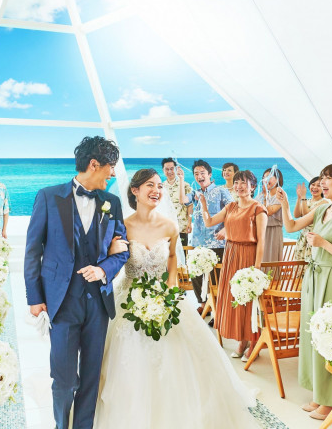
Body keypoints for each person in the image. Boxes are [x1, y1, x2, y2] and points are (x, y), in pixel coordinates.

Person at [93, 169, 257, 428]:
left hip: (165, 296)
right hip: (129, 297)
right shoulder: (122, 225)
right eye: (150, 185)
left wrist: (168, 293)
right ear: (135, 191)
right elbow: (112, 261)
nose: (157, 190)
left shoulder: (169, 226)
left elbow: (171, 258)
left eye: (159, 185)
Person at [24, 136, 130, 429]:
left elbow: (123, 250)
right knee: (64, 377)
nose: (112, 174)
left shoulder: (112, 202)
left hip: (98, 303)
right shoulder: (48, 197)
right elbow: (33, 250)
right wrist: (35, 298)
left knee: (91, 377)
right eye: (110, 167)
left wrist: (104, 269)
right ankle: (61, 425)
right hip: (62, 301)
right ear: (94, 164)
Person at [276, 163, 332, 420]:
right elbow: (291, 226)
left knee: (331, 339)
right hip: (313, 278)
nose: (322, 183)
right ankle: (319, 393)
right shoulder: (322, 208)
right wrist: (284, 203)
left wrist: (323, 243)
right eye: (322, 178)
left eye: (328, 178)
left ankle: (331, 399)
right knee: (313, 336)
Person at [200, 170, 267, 361]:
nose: (239, 186)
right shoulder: (230, 206)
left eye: (243, 183)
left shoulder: (258, 209)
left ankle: (253, 341)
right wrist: (203, 204)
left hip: (248, 256)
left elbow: (261, 241)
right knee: (235, 299)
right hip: (230, 255)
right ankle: (242, 340)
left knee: (248, 300)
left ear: (252, 187)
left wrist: (256, 269)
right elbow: (209, 222)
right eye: (236, 183)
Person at [178, 160, 233, 315]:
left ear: (209, 174)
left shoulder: (221, 191)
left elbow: (234, 211)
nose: (199, 176)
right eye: (196, 174)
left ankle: (218, 310)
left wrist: (226, 229)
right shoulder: (196, 193)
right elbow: (183, 200)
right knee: (196, 274)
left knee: (216, 279)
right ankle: (203, 305)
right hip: (198, 242)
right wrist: (181, 180)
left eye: (202, 173)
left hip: (217, 242)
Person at [293, 177, 328, 262]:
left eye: (318, 185)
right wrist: (299, 198)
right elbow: (296, 215)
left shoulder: (324, 203)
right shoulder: (306, 201)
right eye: (313, 184)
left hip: (313, 238)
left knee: (309, 264)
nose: (315, 187)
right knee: (298, 265)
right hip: (303, 238)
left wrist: (303, 197)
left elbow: (306, 216)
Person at [161, 158, 192, 246]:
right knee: (167, 252)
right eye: (167, 169)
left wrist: (189, 222)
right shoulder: (161, 187)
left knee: (183, 251)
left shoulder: (185, 185)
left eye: (172, 169)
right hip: (166, 228)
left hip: (181, 226)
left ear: (175, 169)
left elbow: (190, 205)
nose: (169, 171)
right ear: (163, 170)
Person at [256, 167, 284, 262]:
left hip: (273, 232)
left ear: (277, 179)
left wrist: (265, 196)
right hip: (260, 231)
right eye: (264, 177)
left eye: (269, 177)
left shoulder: (280, 195)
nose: (266, 180)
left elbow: (268, 212)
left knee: (270, 260)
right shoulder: (260, 195)